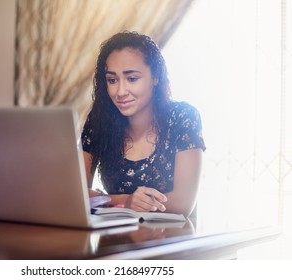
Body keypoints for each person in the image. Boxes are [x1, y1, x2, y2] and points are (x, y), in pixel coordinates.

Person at [81, 31, 206, 217]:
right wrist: (126, 201)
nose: (120, 91)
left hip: (171, 240)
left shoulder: (183, 117)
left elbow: (183, 203)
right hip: (113, 240)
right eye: (112, 80)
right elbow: (76, 194)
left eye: (132, 78)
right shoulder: (99, 119)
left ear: (155, 77)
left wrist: (110, 200)